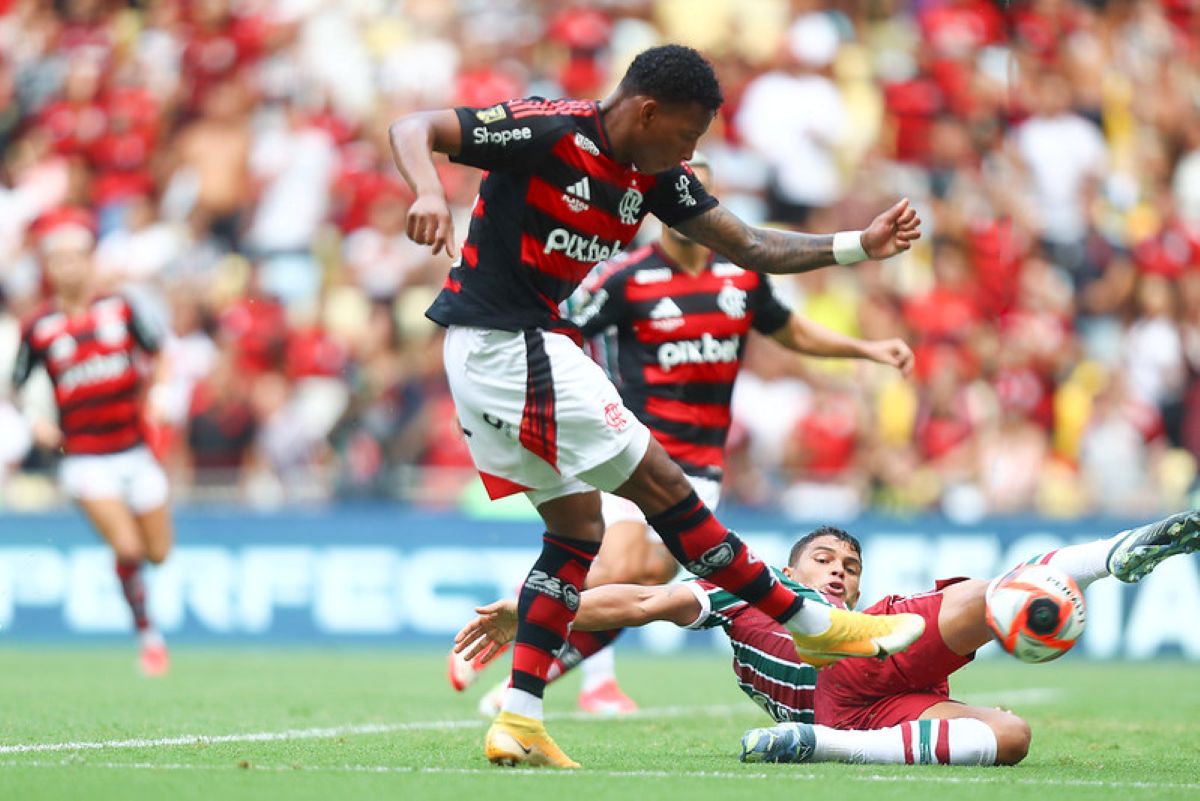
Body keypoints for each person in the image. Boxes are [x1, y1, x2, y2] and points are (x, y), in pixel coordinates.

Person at [389, 43, 923, 768]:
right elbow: (414, 126)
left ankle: (519, 718)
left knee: (576, 533)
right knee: (667, 491)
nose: (690, 151)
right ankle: (811, 621)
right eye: (686, 133)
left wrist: (859, 245)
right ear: (646, 111)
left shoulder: (654, 178)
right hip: (507, 343)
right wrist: (427, 191)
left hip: (505, 351)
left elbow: (752, 245)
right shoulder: (549, 130)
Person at [448, 154, 916, 716]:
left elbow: (788, 330)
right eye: (681, 189)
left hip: (702, 466)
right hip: (631, 452)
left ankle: (527, 662)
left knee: (648, 582)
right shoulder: (625, 277)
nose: (690, 202)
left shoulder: (741, 276)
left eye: (702, 193)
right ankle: (517, 642)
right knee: (620, 567)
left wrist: (865, 349)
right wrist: (502, 397)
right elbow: (557, 333)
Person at [455, 510, 1200, 766]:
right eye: (824, 559)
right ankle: (1113, 554)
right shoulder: (750, 588)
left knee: (1013, 736)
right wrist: (534, 609)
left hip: (871, 698)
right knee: (983, 596)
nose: (838, 570)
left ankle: (825, 746)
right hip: (851, 669)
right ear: (790, 569)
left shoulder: (860, 607)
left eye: (850, 565)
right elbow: (643, 600)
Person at [11, 207, 173, 676]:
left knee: (157, 553)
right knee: (127, 548)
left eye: (76, 257)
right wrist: (36, 420)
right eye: (59, 259)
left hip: (135, 450)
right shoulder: (38, 328)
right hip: (85, 457)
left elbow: (159, 353)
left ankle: (136, 598)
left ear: (90, 261)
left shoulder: (120, 308)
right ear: (49, 267)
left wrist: (159, 395)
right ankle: (149, 638)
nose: (69, 267)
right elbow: (18, 385)